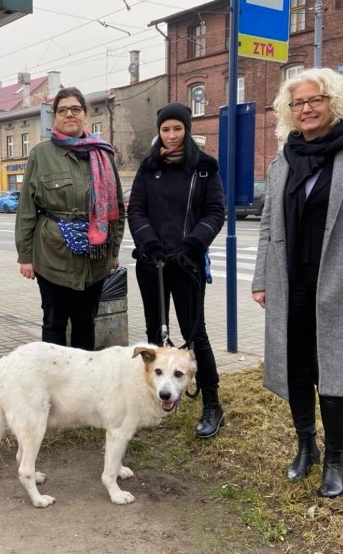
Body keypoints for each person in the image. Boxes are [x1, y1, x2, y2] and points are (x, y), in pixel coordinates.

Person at [251, 68, 343, 498]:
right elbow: (268, 226)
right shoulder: (282, 161)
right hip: (290, 280)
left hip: (340, 281)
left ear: (334, 103)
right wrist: (260, 278)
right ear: (288, 111)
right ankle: (305, 446)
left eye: (315, 100)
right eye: (298, 103)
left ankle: (335, 458)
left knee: (333, 370)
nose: (307, 109)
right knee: (297, 367)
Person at [127, 103, 226, 439]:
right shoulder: (148, 167)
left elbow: (215, 212)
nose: (171, 136)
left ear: (186, 129)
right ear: (159, 132)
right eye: (165, 130)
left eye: (177, 129)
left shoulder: (204, 169)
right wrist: (149, 243)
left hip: (187, 263)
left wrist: (193, 244)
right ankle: (156, 397)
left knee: (195, 335)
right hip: (151, 264)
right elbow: (136, 211)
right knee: (155, 334)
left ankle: (212, 404)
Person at [15, 86, 125, 350]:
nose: (69, 115)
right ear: (55, 117)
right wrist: (26, 256)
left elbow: (117, 207)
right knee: (53, 322)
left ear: (85, 114)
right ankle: (53, 383)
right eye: (62, 110)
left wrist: (114, 251)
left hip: (95, 257)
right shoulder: (41, 154)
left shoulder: (103, 153)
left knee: (85, 323)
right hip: (52, 255)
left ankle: (80, 387)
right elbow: (27, 209)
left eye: (75, 109)